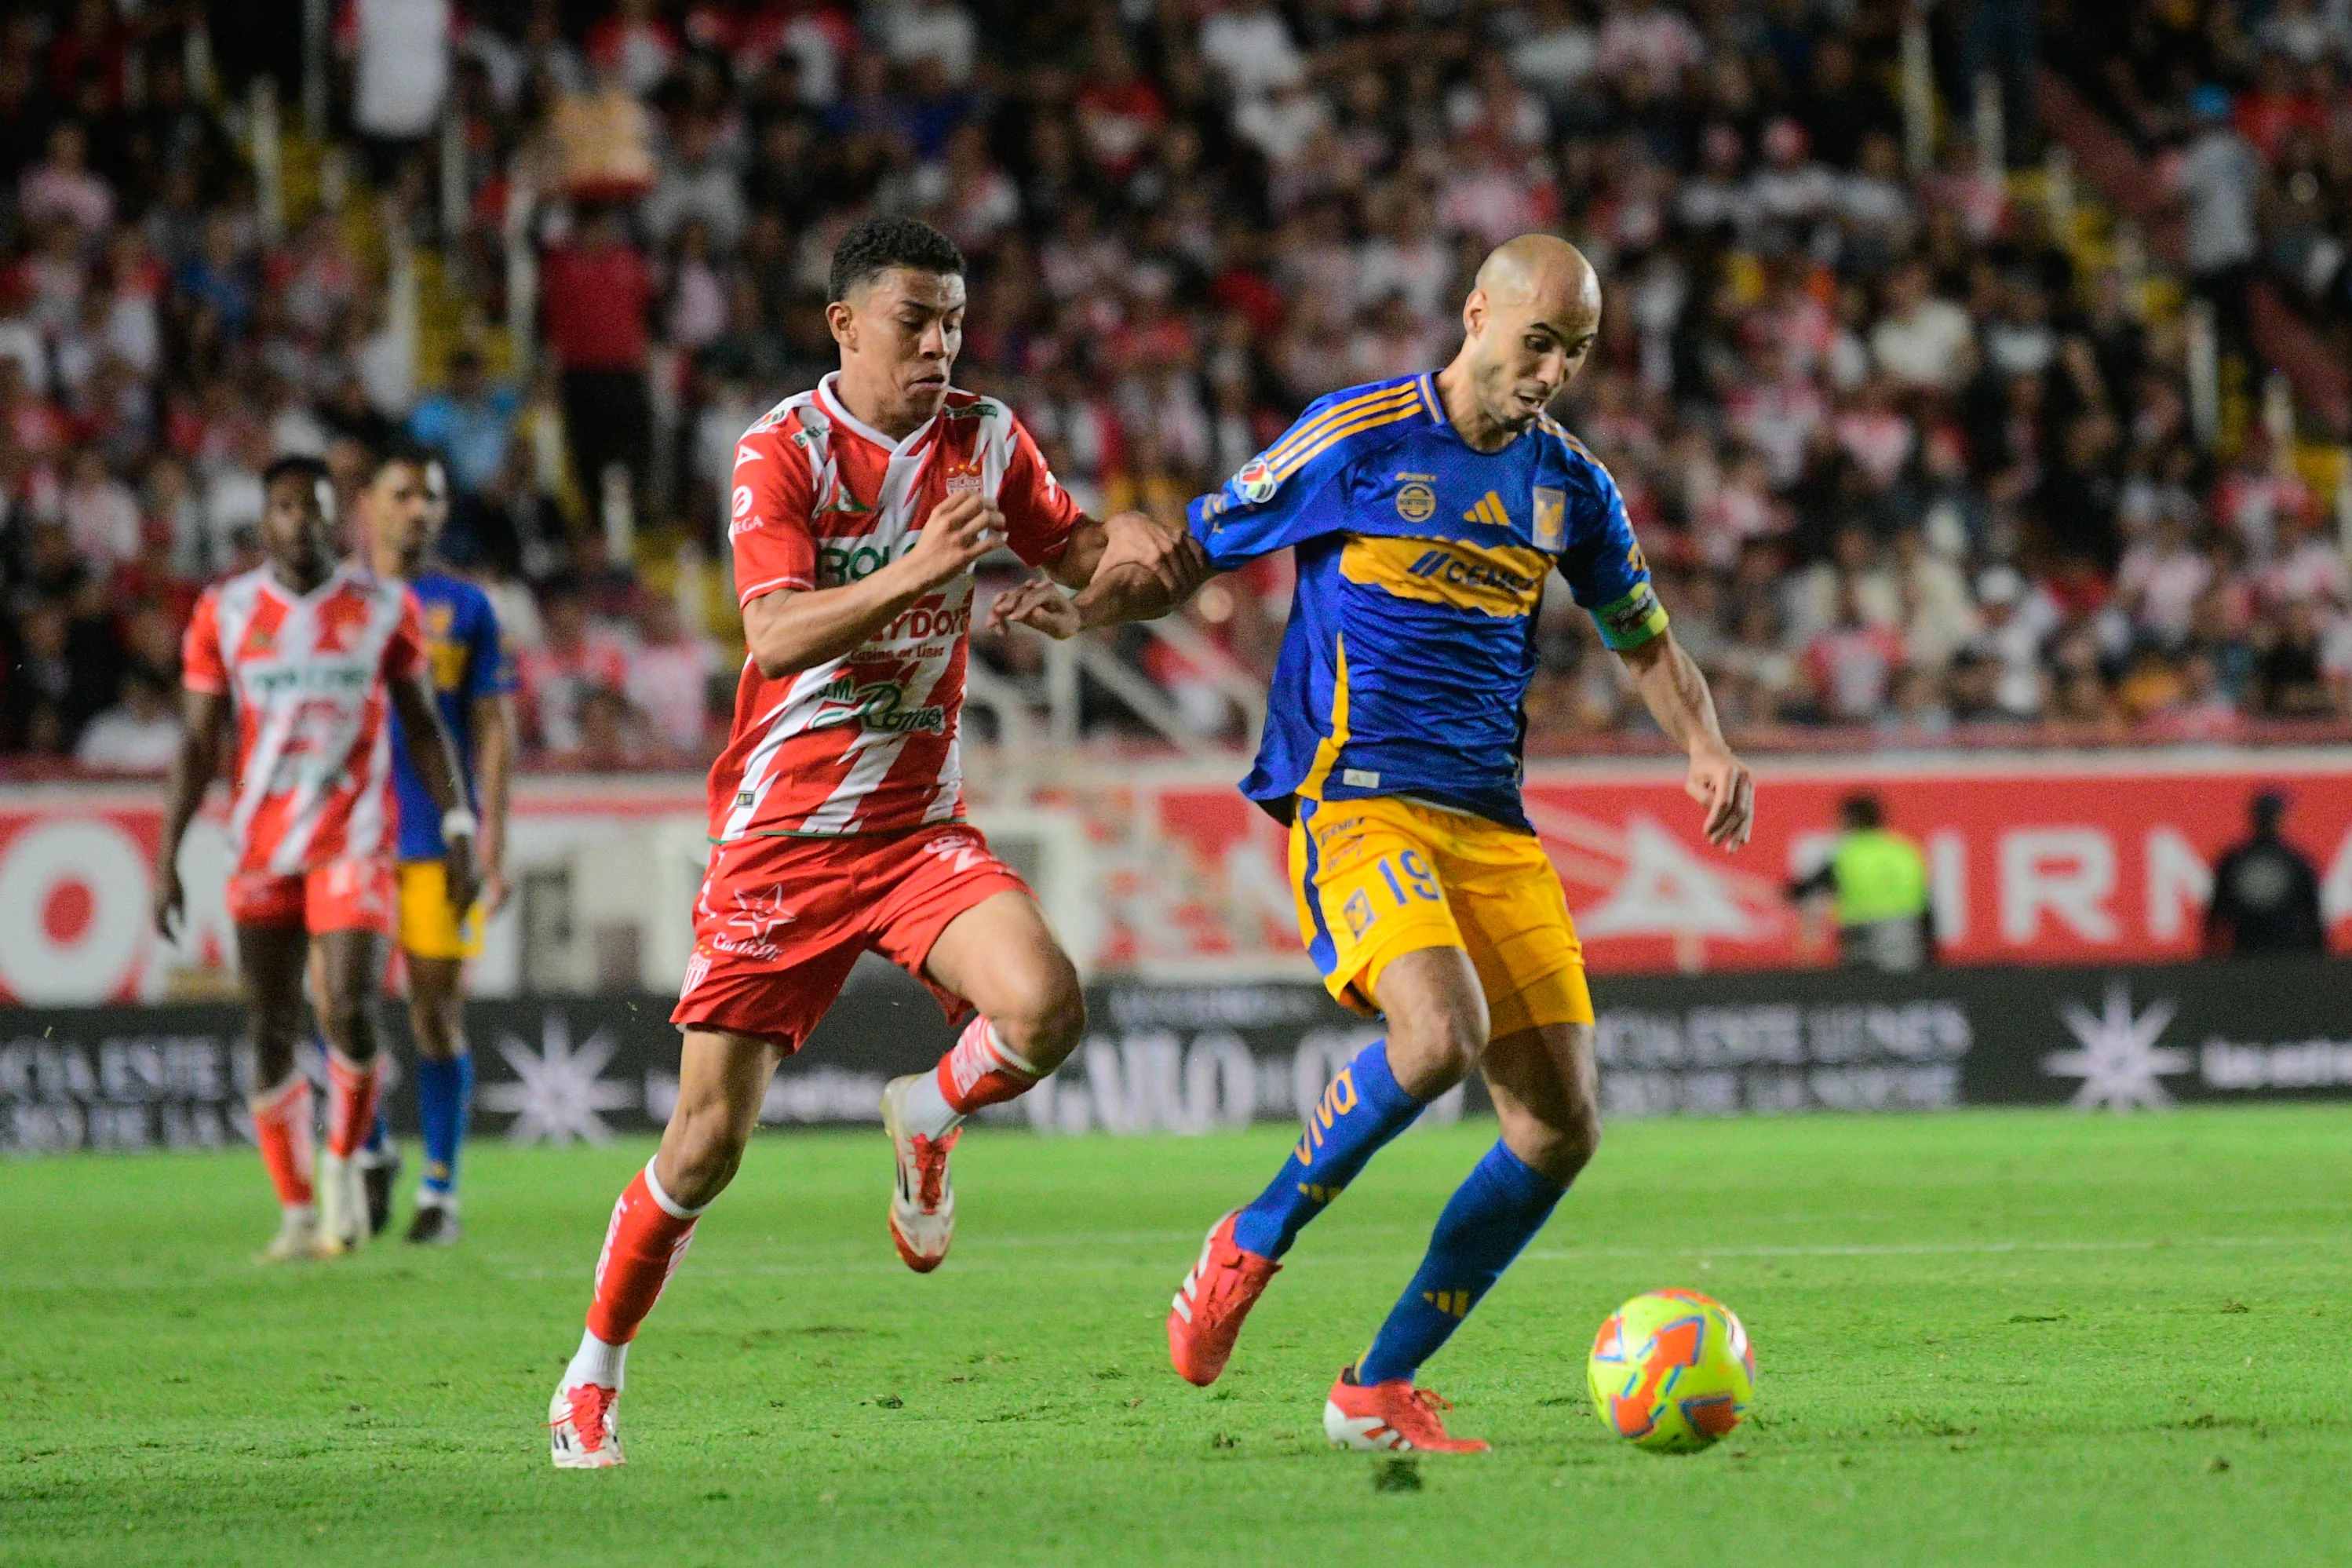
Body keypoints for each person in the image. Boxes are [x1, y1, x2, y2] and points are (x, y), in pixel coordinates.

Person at [994, 235, 1756, 1453]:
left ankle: (1373, 1389)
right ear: (1475, 315)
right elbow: (1189, 553)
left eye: (1578, 351)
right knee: (1437, 1035)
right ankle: (1252, 1236)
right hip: (1357, 797)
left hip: (1489, 822)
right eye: (1539, 340)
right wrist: (1086, 607)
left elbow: (1642, 634)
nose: (1554, 370)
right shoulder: (1355, 437)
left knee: (1560, 1129)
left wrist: (1704, 745)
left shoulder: (1572, 487)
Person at [545, 217, 1203, 1469]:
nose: (941, 345)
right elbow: (779, 635)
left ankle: (928, 1114)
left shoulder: (988, 436)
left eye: (954, 320)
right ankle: (593, 1371)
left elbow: (1077, 552)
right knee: (704, 1147)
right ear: (844, 323)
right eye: (917, 321)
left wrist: (1121, 573)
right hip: (782, 841)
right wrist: (920, 569)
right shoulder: (779, 450)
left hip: (912, 830)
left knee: (1047, 1007)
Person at [152, 456, 477, 1260]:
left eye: (314, 508)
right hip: (262, 846)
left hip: (354, 842)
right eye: (286, 507)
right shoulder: (224, 611)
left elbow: (425, 726)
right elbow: (198, 743)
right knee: (269, 1025)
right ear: (267, 519)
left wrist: (461, 825)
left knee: (347, 1006)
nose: (300, 521)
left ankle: (344, 1164)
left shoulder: (380, 607)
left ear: (337, 518)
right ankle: (297, 1214)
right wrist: (167, 856)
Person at [353, 447, 516, 1243]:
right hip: (343, 838)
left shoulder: (465, 607)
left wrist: (492, 840)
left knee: (433, 1015)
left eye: (432, 497)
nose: (419, 509)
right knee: (337, 1007)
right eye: (403, 493)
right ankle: (373, 1150)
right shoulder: (334, 606)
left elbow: (491, 726)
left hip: (432, 838)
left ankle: (440, 1192)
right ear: (368, 504)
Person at [1786, 793, 1933, 971]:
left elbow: (1804, 890)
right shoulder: (1905, 850)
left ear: (1850, 819)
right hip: (1906, 935)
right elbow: (1927, 903)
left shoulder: (1848, 854)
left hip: (1861, 936)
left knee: (1863, 994)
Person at [2203, 790, 2328, 957]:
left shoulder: (2235, 860)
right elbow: (2313, 917)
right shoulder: (2295, 861)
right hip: (2284, 954)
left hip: (2248, 953)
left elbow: (2216, 917)